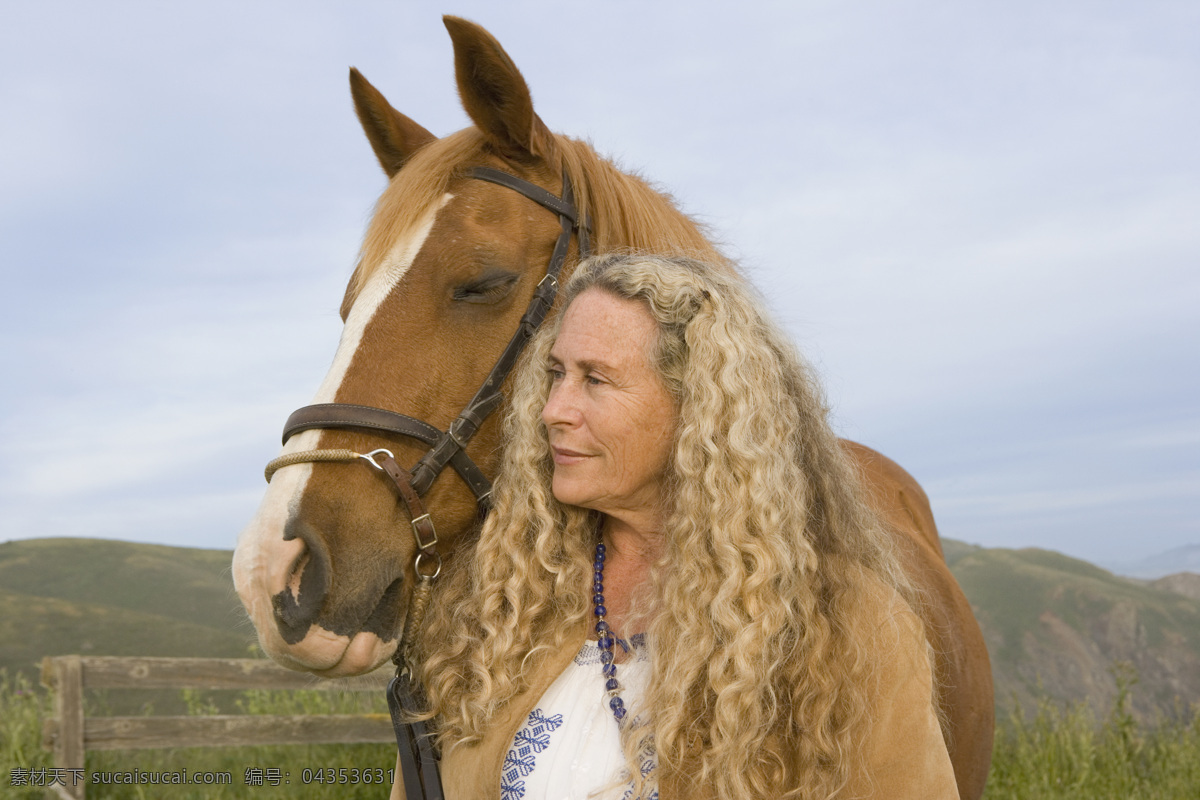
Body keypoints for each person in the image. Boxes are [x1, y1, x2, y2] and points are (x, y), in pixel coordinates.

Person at [398, 253, 958, 799]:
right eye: (556, 373)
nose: (553, 409)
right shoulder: (497, 595)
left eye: (596, 379)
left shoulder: (846, 624)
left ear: (699, 411)